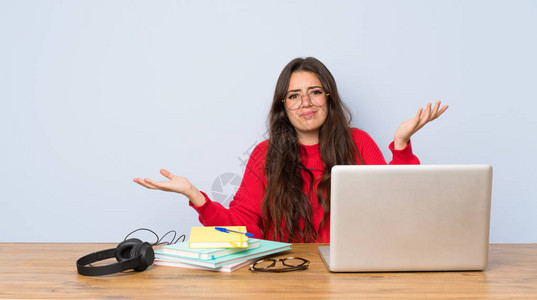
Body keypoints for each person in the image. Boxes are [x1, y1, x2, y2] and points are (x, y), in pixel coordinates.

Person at [133, 57, 448, 243]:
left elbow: (397, 206)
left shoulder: (358, 143)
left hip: (351, 275)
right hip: (282, 275)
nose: (306, 103)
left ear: (329, 97)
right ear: (283, 106)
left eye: (314, 92)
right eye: (294, 96)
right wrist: (195, 196)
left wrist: (402, 145)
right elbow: (245, 228)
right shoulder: (265, 154)